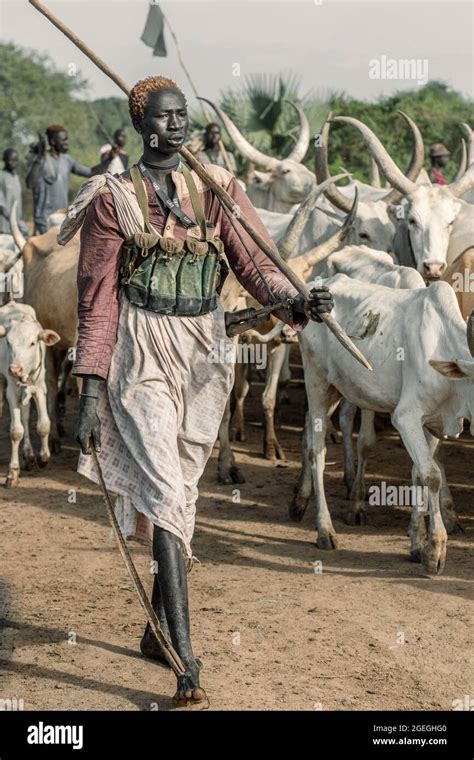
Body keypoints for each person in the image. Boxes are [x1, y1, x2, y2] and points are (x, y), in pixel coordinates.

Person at [70, 75, 333, 705]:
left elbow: (253, 261)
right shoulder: (112, 198)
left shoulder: (215, 187)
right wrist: (87, 394)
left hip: (204, 348)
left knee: (181, 492)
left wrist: (293, 298)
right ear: (142, 125)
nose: (177, 125)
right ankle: (186, 658)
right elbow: (97, 299)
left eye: (182, 114)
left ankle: (153, 627)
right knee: (164, 488)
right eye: (164, 117)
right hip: (140, 349)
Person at [26, 125, 115, 234]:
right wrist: (40, 156)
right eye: (63, 140)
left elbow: (91, 172)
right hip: (43, 221)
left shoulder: (67, 160)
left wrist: (110, 158)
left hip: (61, 217)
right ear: (53, 142)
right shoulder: (37, 159)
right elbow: (30, 183)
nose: (66, 142)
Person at [0, 149, 29, 238]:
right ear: (4, 160)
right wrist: (13, 220)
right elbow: (1, 205)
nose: (13, 163)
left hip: (17, 226)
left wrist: (19, 222)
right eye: (10, 160)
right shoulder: (1, 176)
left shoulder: (16, 177)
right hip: (4, 227)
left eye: (15, 160)